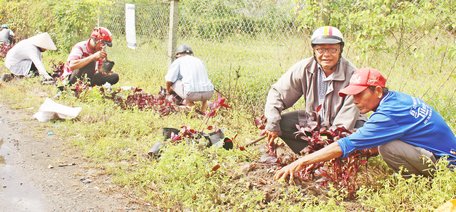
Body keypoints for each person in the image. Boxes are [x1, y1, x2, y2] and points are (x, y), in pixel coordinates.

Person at [274, 68, 456, 181]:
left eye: (359, 94)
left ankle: (417, 182)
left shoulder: (389, 114)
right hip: (440, 155)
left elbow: (346, 145)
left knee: (387, 147)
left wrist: (300, 162)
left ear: (377, 90)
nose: (354, 100)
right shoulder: (397, 99)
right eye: (352, 95)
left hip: (448, 168)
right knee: (380, 144)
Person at [264, 26, 365, 154]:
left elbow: (346, 121)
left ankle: (331, 157)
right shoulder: (304, 68)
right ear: (314, 51)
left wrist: (331, 145)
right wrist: (272, 122)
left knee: (361, 136)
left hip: (347, 125)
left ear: (340, 50)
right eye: (320, 49)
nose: (326, 55)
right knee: (283, 123)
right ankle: (309, 154)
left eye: (333, 49)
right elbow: (277, 93)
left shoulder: (353, 75)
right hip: (316, 122)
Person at [165, 44, 214, 113]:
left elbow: (169, 80)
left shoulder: (178, 61)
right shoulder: (199, 60)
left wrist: (168, 91)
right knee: (199, 81)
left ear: (178, 54)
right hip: (209, 92)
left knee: (174, 82)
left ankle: (190, 105)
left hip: (191, 93)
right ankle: (204, 107)